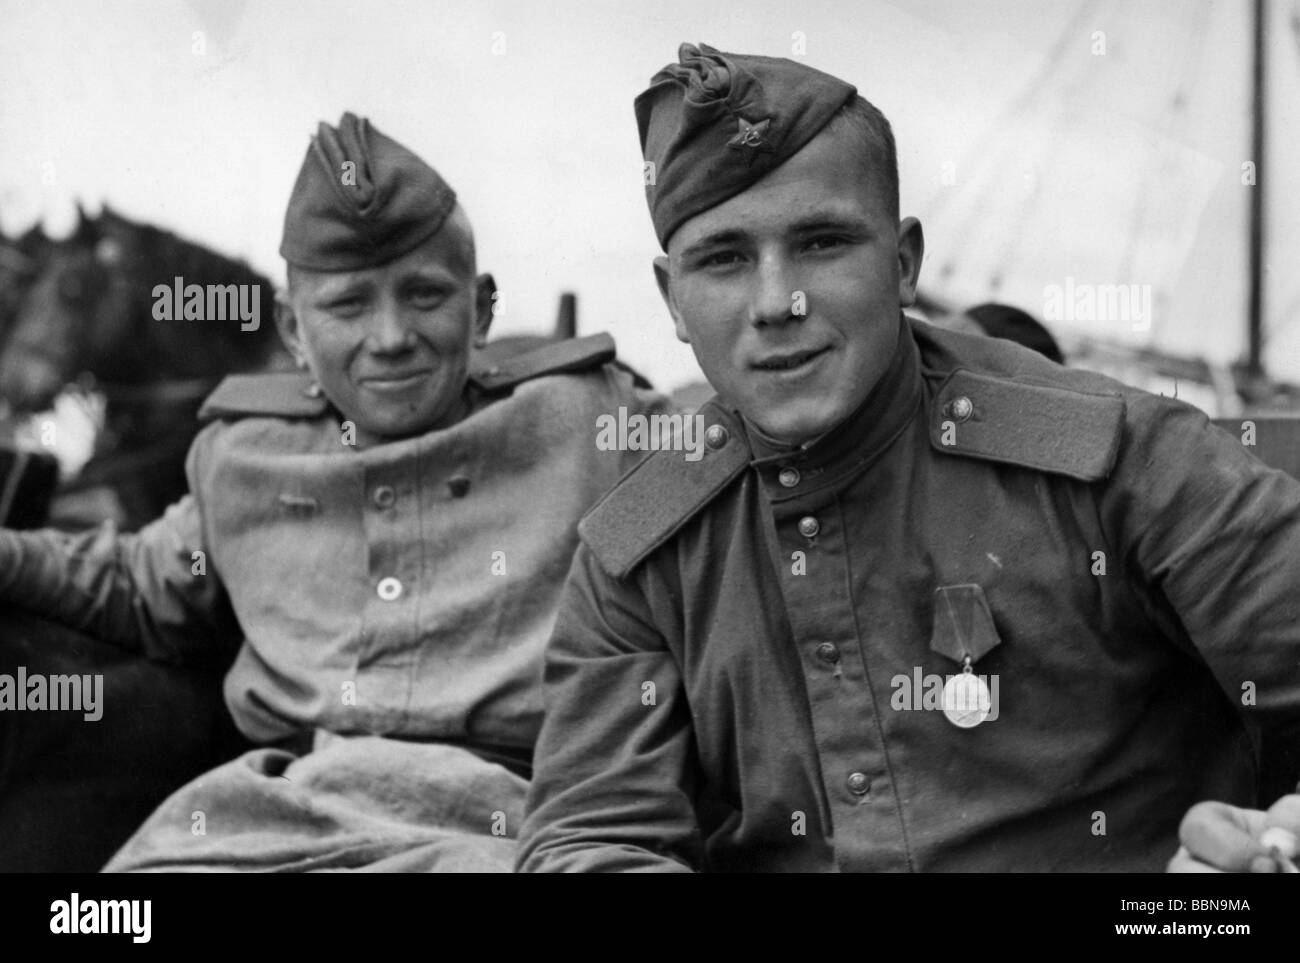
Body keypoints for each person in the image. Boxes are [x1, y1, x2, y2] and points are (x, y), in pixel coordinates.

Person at [515, 44, 1300, 872]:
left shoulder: (1124, 462)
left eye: (821, 243)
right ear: (671, 298)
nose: (777, 301)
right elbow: (590, 834)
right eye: (724, 259)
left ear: (903, 263)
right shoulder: (641, 550)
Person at [0, 112, 665, 871]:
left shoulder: (592, 422)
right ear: (292, 329)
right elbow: (132, 579)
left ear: (480, 309)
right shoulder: (244, 459)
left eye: (423, 295)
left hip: (515, 829)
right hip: (267, 825)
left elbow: (742, 469)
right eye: (348, 305)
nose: (389, 337)